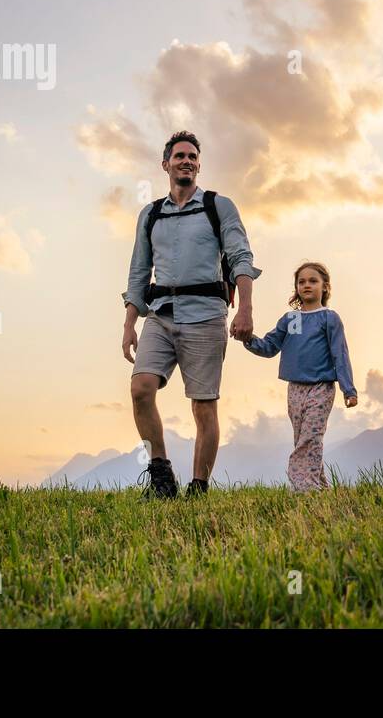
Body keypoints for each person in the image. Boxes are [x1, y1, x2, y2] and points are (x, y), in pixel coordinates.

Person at [121, 131, 262, 498]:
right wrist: (129, 323)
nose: (187, 161)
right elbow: (139, 271)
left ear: (199, 165)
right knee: (140, 388)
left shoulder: (219, 206)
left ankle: (198, 488)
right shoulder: (150, 214)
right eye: (180, 156)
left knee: (203, 406)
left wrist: (244, 308)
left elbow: (240, 258)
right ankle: (161, 474)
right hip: (160, 315)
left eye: (193, 157)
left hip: (206, 316)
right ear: (165, 164)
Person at [242, 262, 357, 491]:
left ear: (325, 287)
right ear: (296, 288)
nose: (307, 285)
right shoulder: (290, 319)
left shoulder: (329, 318)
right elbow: (270, 346)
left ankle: (304, 487)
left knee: (311, 438)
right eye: (301, 281)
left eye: (313, 281)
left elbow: (340, 354)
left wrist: (349, 390)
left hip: (321, 387)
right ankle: (320, 487)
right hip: (295, 388)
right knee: (303, 438)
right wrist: (247, 339)